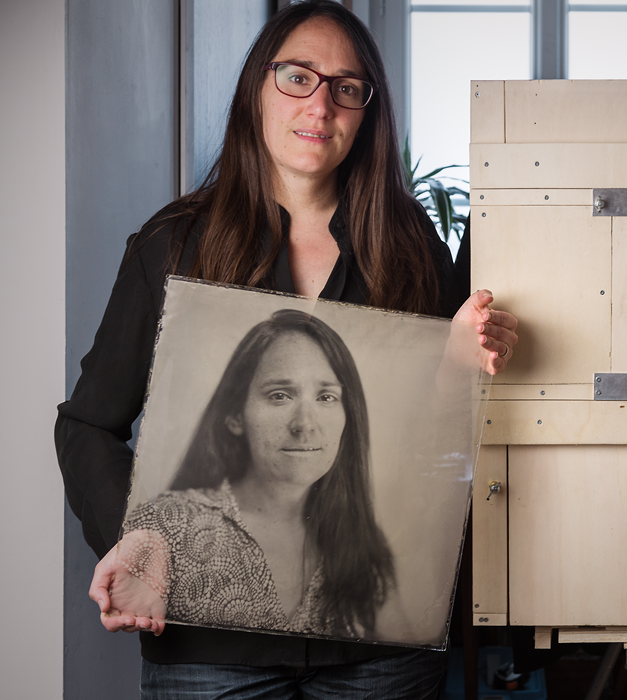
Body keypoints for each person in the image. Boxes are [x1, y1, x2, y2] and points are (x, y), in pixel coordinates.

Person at [54, 1, 518, 697]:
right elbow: (87, 423)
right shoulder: (172, 244)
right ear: (257, 88)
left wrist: (458, 364)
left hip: (376, 638)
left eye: (346, 88)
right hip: (207, 644)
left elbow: (434, 447)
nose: (320, 105)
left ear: (367, 112)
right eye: (298, 77)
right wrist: (136, 531)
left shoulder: (412, 243)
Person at [119, 309, 394, 640]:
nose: (305, 424)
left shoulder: (364, 544)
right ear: (235, 415)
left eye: (326, 397)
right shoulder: (168, 525)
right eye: (280, 395)